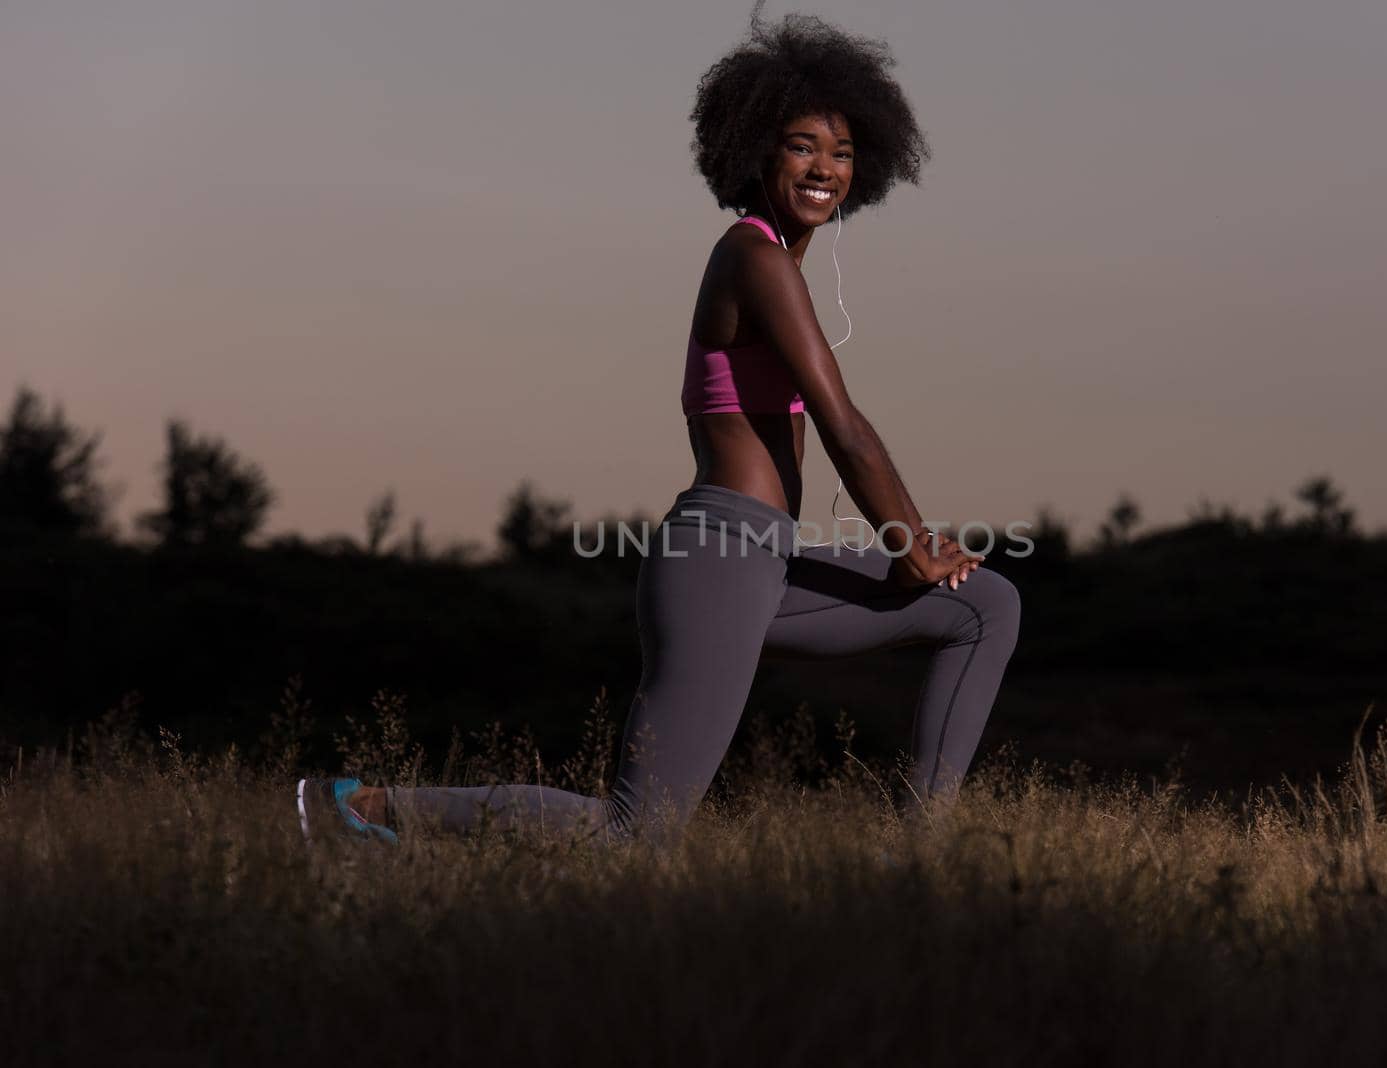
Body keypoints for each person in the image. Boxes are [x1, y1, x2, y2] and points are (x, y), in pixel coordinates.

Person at [297, 6, 1022, 847]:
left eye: (844, 151)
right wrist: (912, 548)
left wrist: (913, 564)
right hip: (721, 556)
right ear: (755, 148)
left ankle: (918, 856)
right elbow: (843, 425)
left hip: (769, 562)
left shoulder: (778, 262)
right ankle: (360, 809)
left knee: (984, 606)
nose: (826, 166)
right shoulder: (752, 257)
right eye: (801, 145)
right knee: (635, 834)